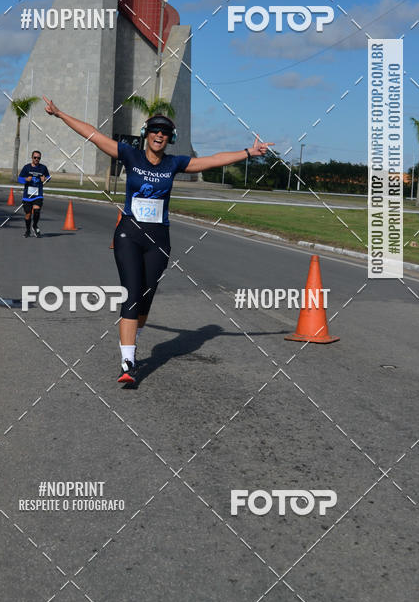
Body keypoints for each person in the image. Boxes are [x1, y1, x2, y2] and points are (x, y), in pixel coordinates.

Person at [43, 96, 273, 385]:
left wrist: (249, 153)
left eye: (164, 133)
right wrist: (61, 113)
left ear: (170, 138)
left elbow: (211, 161)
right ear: (146, 134)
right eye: (154, 130)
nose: (159, 135)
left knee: (146, 298)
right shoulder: (130, 155)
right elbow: (93, 134)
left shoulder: (174, 164)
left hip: (159, 240)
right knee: (131, 293)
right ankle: (128, 362)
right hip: (129, 233)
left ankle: (133, 337)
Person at [18, 150, 50, 238]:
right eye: (35, 157)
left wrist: (45, 179)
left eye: (38, 158)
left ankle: (35, 226)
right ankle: (28, 230)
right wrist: (25, 180)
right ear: (32, 158)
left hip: (38, 194)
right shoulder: (26, 167)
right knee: (28, 214)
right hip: (27, 196)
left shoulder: (43, 168)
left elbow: (48, 177)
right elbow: (19, 179)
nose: (36, 159)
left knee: (36, 210)